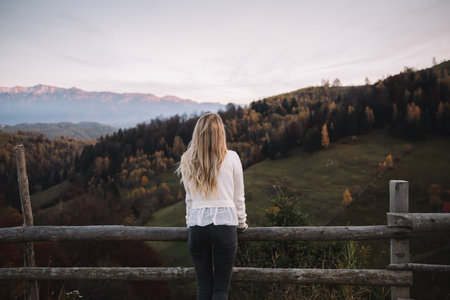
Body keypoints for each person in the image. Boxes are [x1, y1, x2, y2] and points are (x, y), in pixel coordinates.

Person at [177, 112, 248, 300]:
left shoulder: (187, 159)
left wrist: (189, 224)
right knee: (220, 290)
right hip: (225, 225)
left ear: (197, 134)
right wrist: (241, 224)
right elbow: (238, 197)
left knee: (203, 289)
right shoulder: (232, 158)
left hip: (198, 226)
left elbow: (189, 200)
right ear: (220, 134)